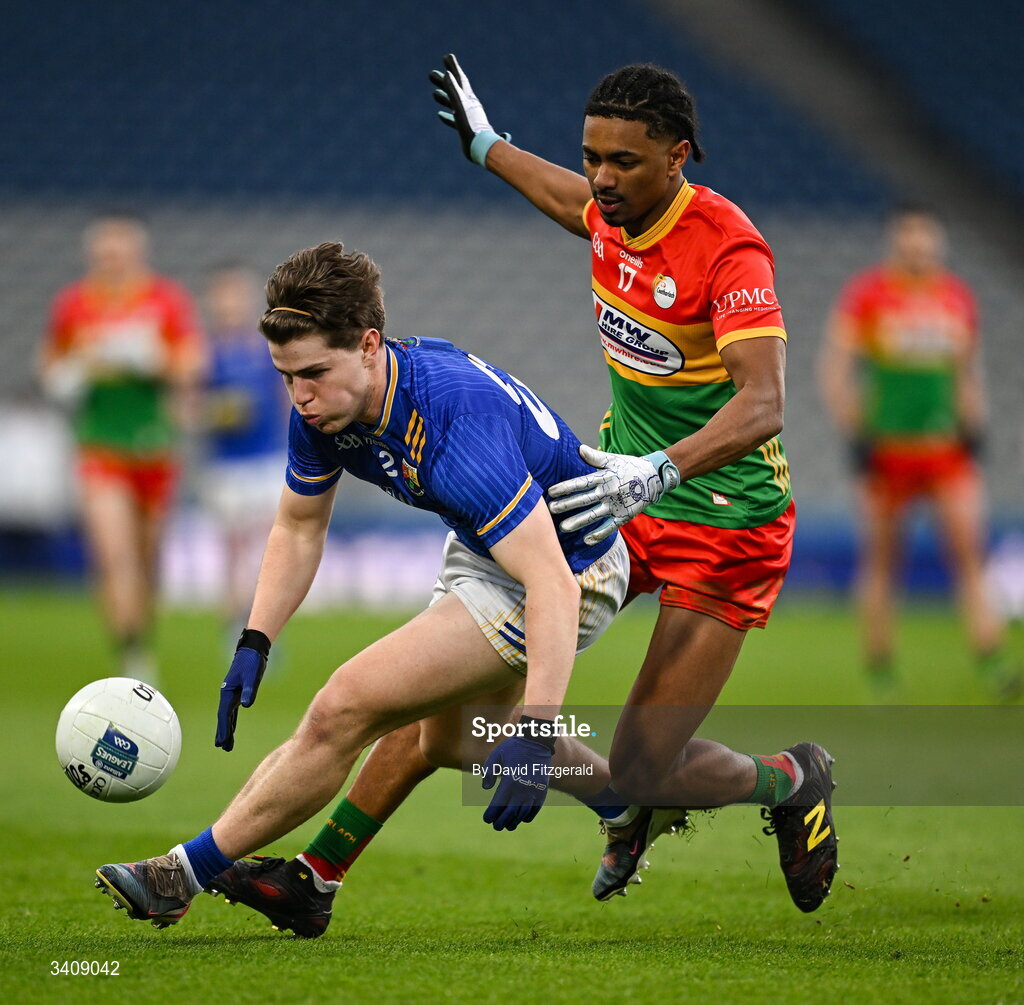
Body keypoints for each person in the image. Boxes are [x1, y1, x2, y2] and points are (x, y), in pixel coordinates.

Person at [201, 57, 838, 938]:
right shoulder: (611, 211)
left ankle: (791, 779)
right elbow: (567, 200)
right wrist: (487, 146)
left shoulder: (728, 249)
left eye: (622, 162)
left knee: (646, 765)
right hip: (605, 489)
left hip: (723, 518)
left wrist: (661, 468)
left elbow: (764, 401)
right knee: (436, 674)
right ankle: (318, 874)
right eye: (593, 158)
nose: (601, 181)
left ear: (678, 157)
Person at [94, 240, 635, 930]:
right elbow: (297, 528)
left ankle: (179, 874)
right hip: (489, 553)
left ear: (371, 344)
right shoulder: (323, 410)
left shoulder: (453, 422)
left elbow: (552, 583)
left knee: (341, 705)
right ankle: (632, 803)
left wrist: (538, 727)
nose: (301, 397)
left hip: (568, 568)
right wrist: (254, 637)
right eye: (286, 376)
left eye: (315, 372)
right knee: (450, 742)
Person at [820, 202, 1019, 694]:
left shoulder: (956, 298)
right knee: (883, 560)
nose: (918, 246)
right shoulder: (868, 296)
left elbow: (967, 372)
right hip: (887, 451)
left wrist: (976, 426)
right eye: (909, 237)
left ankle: (991, 660)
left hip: (945, 450)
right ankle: (881, 667)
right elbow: (835, 369)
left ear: (938, 242)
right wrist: (855, 431)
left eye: (925, 238)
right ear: (896, 240)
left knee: (969, 553)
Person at [38, 213, 205, 682]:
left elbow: (192, 364)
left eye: (120, 253)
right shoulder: (74, 305)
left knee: (148, 558)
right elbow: (51, 366)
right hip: (100, 446)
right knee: (116, 554)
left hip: (154, 446)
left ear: (137, 254)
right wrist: (71, 371)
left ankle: (140, 634)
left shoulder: (163, 301)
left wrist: (152, 359)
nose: (112, 262)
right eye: (104, 254)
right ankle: (130, 651)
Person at [199, 263, 289, 631]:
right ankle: (235, 623)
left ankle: (262, 625)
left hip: (266, 459)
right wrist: (220, 412)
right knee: (234, 551)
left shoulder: (268, 348)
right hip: (226, 466)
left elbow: (287, 401)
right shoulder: (204, 352)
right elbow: (185, 409)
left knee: (269, 547)